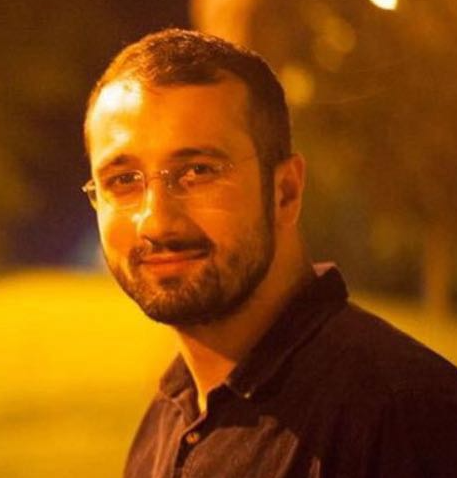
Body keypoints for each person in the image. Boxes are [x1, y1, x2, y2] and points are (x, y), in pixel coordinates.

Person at [82, 28, 457, 478]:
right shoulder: (168, 418)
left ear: (285, 192)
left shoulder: (405, 419)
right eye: (123, 181)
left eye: (198, 171)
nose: (157, 222)